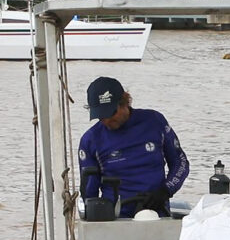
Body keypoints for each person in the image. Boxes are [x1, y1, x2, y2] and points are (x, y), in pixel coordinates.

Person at [78, 76, 189, 218]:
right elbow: (89, 192)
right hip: (115, 218)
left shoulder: (154, 121)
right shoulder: (90, 140)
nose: (107, 120)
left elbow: (180, 162)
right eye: (101, 116)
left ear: (125, 102)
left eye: (111, 113)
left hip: (156, 213)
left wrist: (166, 190)